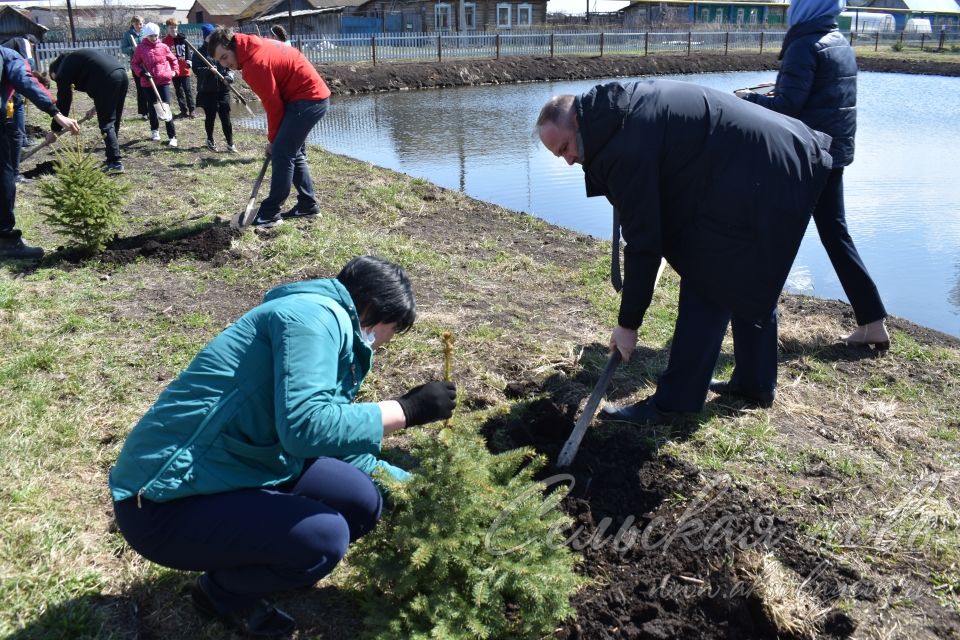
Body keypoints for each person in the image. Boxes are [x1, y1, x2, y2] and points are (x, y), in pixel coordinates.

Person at [109, 255, 457, 636]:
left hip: (240, 466)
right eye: (391, 329)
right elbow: (306, 428)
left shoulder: (324, 323)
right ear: (372, 309)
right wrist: (407, 410)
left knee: (362, 499)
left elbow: (330, 433)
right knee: (326, 536)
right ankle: (220, 592)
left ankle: (270, 563)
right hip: (165, 502)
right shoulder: (312, 319)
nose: (387, 341)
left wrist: (406, 484)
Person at [536, 80, 833, 421]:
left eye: (564, 149)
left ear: (576, 121)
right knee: (746, 271)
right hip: (764, 161)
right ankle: (755, 382)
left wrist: (628, 325)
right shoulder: (613, 113)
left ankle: (676, 403)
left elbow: (644, 242)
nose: (569, 161)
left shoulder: (623, 145)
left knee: (707, 276)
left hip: (764, 169)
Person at [736, 0, 889, 351]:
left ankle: (751, 325)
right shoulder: (838, 40)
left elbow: (787, 106)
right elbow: (822, 97)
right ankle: (872, 321)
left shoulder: (804, 43)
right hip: (831, 154)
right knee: (836, 236)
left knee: (767, 237)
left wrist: (746, 99)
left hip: (803, 157)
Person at [208, 27, 330, 227]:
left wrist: (273, 140)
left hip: (307, 99)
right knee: (292, 151)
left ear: (232, 46)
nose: (225, 64)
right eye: (220, 61)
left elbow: (273, 106)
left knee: (282, 153)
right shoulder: (253, 46)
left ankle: (270, 214)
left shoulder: (255, 64)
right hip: (309, 96)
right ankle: (308, 205)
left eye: (224, 57)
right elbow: (276, 103)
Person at [0, 46, 80, 259]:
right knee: (4, 176)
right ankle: (6, 240)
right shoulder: (7, 55)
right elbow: (25, 81)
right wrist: (56, 113)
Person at [48, 50, 129, 173]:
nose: (57, 81)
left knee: (107, 123)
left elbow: (63, 102)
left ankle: (115, 162)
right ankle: (111, 158)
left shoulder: (63, 70)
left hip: (106, 79)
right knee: (113, 119)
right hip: (121, 74)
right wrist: (97, 107)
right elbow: (97, 74)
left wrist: (55, 130)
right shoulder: (75, 59)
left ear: (54, 71)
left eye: (55, 79)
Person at [131, 22, 179, 147]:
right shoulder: (140, 48)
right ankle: (155, 130)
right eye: (151, 36)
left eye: (156, 35)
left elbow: (173, 60)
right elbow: (134, 63)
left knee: (165, 108)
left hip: (163, 80)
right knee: (152, 107)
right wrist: (141, 73)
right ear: (146, 36)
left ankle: (172, 136)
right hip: (148, 82)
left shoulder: (163, 47)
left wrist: (174, 71)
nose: (154, 38)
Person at [193, 23, 236, 153]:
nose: (213, 38)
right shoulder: (198, 53)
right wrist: (208, 70)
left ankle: (230, 143)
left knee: (226, 118)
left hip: (223, 90)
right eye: (210, 36)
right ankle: (210, 140)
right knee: (210, 117)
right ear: (206, 37)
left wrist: (229, 77)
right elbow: (196, 70)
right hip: (208, 91)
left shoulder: (222, 49)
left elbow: (231, 66)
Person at [162, 18, 196, 119]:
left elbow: (188, 52)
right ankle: (183, 110)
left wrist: (189, 61)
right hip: (173, 70)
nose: (173, 29)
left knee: (187, 90)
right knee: (178, 90)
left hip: (184, 69)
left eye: (175, 27)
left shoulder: (182, 39)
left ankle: (192, 110)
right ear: (167, 28)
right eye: (171, 27)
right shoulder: (165, 42)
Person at [120, 16, 149, 120]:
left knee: (150, 87)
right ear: (132, 24)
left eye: (141, 24)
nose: (139, 26)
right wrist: (132, 48)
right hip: (136, 65)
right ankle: (144, 112)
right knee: (141, 88)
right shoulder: (128, 35)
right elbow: (123, 49)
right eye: (137, 24)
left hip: (148, 63)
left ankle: (152, 109)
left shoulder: (146, 33)